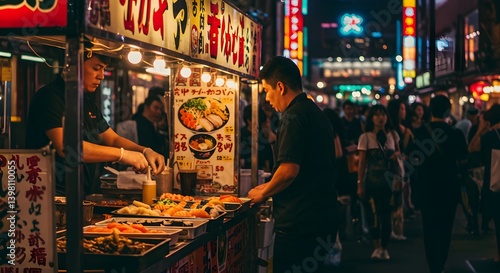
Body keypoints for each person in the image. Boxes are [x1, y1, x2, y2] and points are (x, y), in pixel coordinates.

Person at [26, 39, 165, 196]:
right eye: (96, 68)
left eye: (104, 69)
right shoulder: (50, 97)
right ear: (74, 66)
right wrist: (123, 155)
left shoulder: (86, 101)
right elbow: (67, 148)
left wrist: (145, 151)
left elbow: (112, 139)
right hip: (50, 194)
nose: (102, 76)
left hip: (81, 193)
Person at [247, 56, 338, 273]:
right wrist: (269, 185)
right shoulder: (315, 112)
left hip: (300, 226)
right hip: (321, 220)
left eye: (267, 90)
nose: (267, 98)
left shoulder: (293, 117)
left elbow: (289, 171)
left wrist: (263, 193)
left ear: (280, 87)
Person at [409, 95, 468, 273]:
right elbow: (464, 160)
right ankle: (441, 263)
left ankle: (434, 266)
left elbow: (411, 160)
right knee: (446, 226)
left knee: (429, 227)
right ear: (448, 111)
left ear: (430, 110)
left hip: (427, 187)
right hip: (449, 188)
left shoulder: (419, 133)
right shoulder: (456, 133)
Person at [357, 104, 398, 260]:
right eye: (377, 115)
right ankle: (376, 247)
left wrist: (397, 156)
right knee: (372, 214)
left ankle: (384, 247)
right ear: (371, 118)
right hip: (372, 181)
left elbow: (400, 157)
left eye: (383, 114)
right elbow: (362, 163)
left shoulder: (393, 135)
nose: (381, 118)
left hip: (390, 181)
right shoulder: (365, 137)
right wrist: (360, 184)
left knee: (386, 215)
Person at [469, 104, 500, 263]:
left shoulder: (488, 137)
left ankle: (498, 255)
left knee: (497, 220)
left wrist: (481, 129)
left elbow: (471, 148)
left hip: (494, 184)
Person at [239, 104, 275, 172]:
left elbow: (270, 153)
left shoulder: (264, 134)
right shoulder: (241, 134)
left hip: (264, 172)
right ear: (248, 121)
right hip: (245, 172)